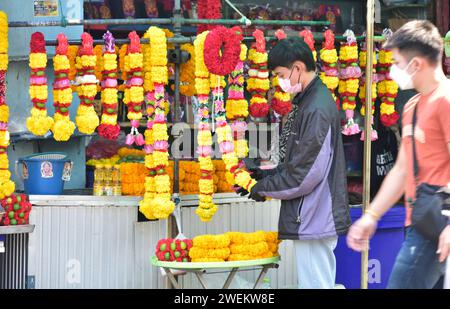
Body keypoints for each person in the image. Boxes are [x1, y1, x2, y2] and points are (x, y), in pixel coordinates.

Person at [347, 20, 450, 289]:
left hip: (441, 224)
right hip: (419, 221)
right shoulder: (412, 107)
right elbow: (402, 169)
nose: (393, 71)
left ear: (416, 64)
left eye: (396, 62)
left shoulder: (446, 100)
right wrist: (371, 216)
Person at [242, 36, 351, 289]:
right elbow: (300, 161)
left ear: (298, 68)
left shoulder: (316, 108)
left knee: (315, 284)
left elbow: (306, 175)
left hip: (314, 214)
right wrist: (266, 177)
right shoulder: (309, 102)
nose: (280, 81)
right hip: (313, 214)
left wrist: (260, 188)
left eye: (281, 74)